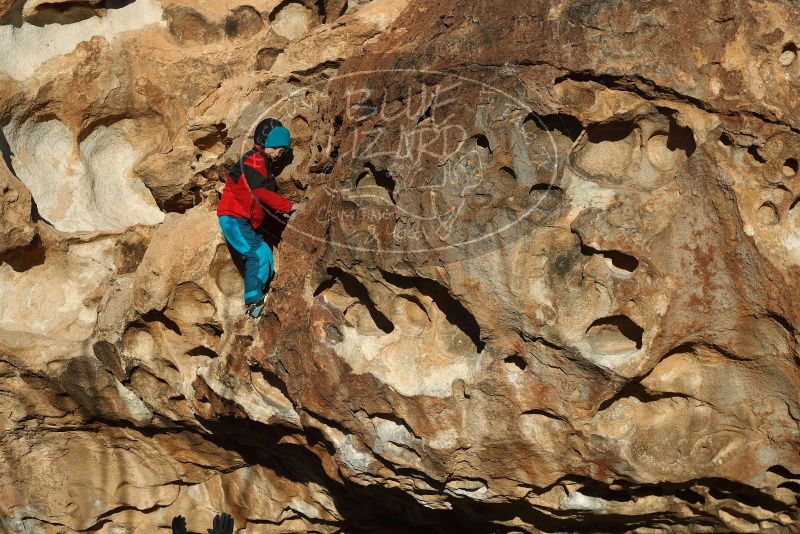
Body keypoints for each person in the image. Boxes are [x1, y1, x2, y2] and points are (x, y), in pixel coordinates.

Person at [217, 118, 297, 319]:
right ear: (270, 143)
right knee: (256, 254)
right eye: (280, 148)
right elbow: (260, 192)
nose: (282, 153)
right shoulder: (254, 159)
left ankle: (259, 294)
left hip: (244, 221)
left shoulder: (263, 163)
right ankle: (253, 302)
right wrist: (288, 206)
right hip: (233, 217)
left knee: (264, 253)